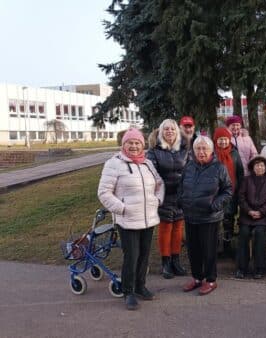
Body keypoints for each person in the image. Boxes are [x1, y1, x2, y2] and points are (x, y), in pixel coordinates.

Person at [97, 128, 164, 310]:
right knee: (131, 257)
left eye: (137, 143)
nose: (134, 146)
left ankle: (141, 286)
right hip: (127, 220)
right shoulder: (114, 164)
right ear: (123, 145)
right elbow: (104, 192)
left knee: (144, 255)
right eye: (130, 143)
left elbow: (159, 184)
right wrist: (122, 208)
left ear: (142, 145)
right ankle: (128, 292)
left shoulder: (147, 163)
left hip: (148, 218)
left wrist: (157, 200)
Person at [179, 136, 232, 295]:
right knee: (193, 249)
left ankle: (210, 280)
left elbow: (228, 191)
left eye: (204, 149)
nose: (201, 152)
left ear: (211, 151)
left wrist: (214, 205)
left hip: (209, 217)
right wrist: (181, 201)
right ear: (193, 151)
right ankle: (196, 278)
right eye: (198, 149)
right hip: (190, 215)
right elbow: (181, 187)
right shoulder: (189, 166)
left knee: (208, 250)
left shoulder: (219, 168)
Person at [147, 119, 189, 279]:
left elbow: (189, 170)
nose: (169, 131)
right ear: (161, 132)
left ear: (177, 131)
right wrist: (162, 189)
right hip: (163, 195)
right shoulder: (154, 151)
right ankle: (166, 262)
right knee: (165, 228)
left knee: (178, 227)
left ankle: (176, 260)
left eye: (172, 129)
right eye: (166, 129)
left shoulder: (184, 150)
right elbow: (152, 173)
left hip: (181, 195)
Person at [235, 155, 266, 279]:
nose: (259, 167)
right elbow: (241, 198)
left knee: (259, 233)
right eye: (257, 165)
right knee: (243, 233)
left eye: (262, 165)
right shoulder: (246, 180)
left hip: (264, 217)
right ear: (252, 167)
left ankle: (260, 268)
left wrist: (261, 212)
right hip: (247, 215)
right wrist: (249, 211)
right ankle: (241, 268)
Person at [213, 127, 244, 255]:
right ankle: (215, 247)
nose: (223, 142)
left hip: (231, 193)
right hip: (214, 193)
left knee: (228, 219)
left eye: (225, 139)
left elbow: (240, 173)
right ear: (216, 140)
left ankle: (227, 247)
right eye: (220, 139)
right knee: (215, 221)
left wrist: (240, 190)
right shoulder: (211, 153)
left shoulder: (235, 153)